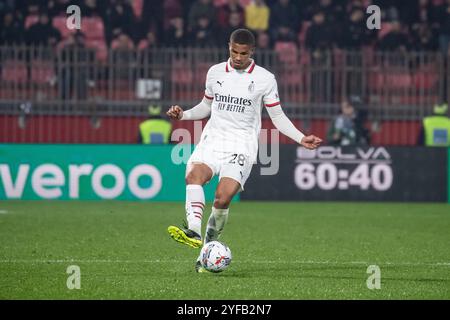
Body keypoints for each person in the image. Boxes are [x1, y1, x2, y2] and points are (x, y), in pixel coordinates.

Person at [166, 29, 322, 273]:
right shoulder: (215, 72)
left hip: (241, 145)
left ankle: (205, 249)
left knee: (222, 197)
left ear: (252, 52)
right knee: (194, 176)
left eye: (243, 53)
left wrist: (301, 138)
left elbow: (278, 116)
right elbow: (206, 106)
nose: (238, 57)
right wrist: (184, 114)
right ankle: (193, 231)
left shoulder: (265, 79)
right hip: (213, 140)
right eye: (234, 51)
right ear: (228, 46)